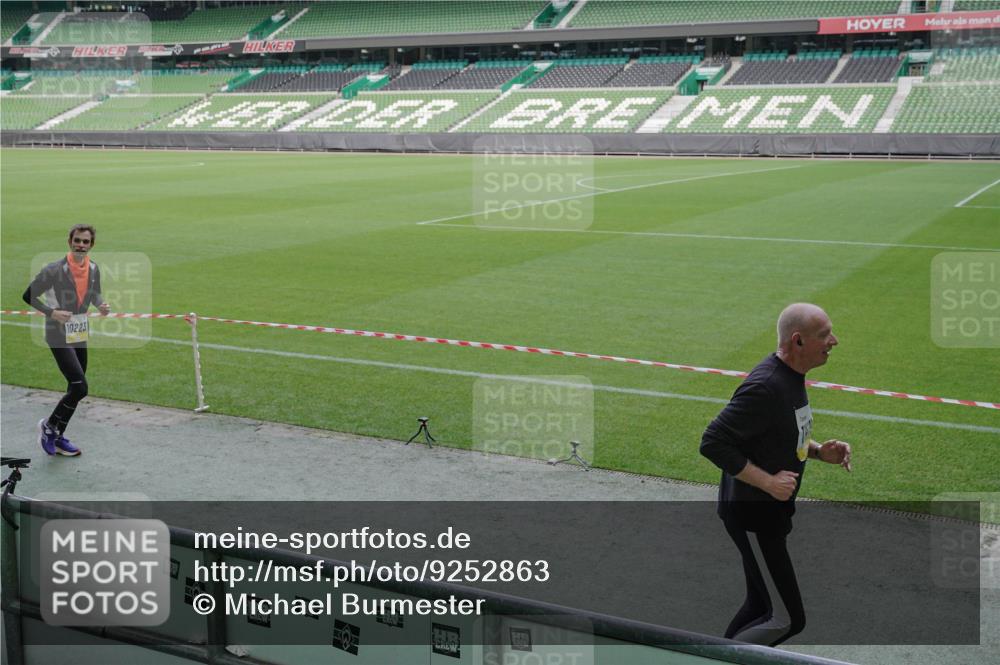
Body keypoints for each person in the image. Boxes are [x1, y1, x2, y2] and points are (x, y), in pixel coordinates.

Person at [699, 302, 852, 647]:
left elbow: (776, 435)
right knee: (787, 618)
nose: (834, 341)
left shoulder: (791, 378)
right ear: (798, 341)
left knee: (759, 606)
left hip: (767, 515)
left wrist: (817, 452)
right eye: (825, 335)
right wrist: (767, 482)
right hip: (754, 516)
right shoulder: (766, 386)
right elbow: (713, 442)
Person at [22, 224, 110, 457]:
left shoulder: (93, 268)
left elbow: (94, 293)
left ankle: (57, 435)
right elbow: (28, 295)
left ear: (92, 245)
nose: (81, 245)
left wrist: (101, 304)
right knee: (80, 386)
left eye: (86, 242)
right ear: (69, 241)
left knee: (76, 388)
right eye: (77, 240)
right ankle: (49, 427)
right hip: (57, 332)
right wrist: (51, 313)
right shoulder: (53, 270)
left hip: (79, 331)